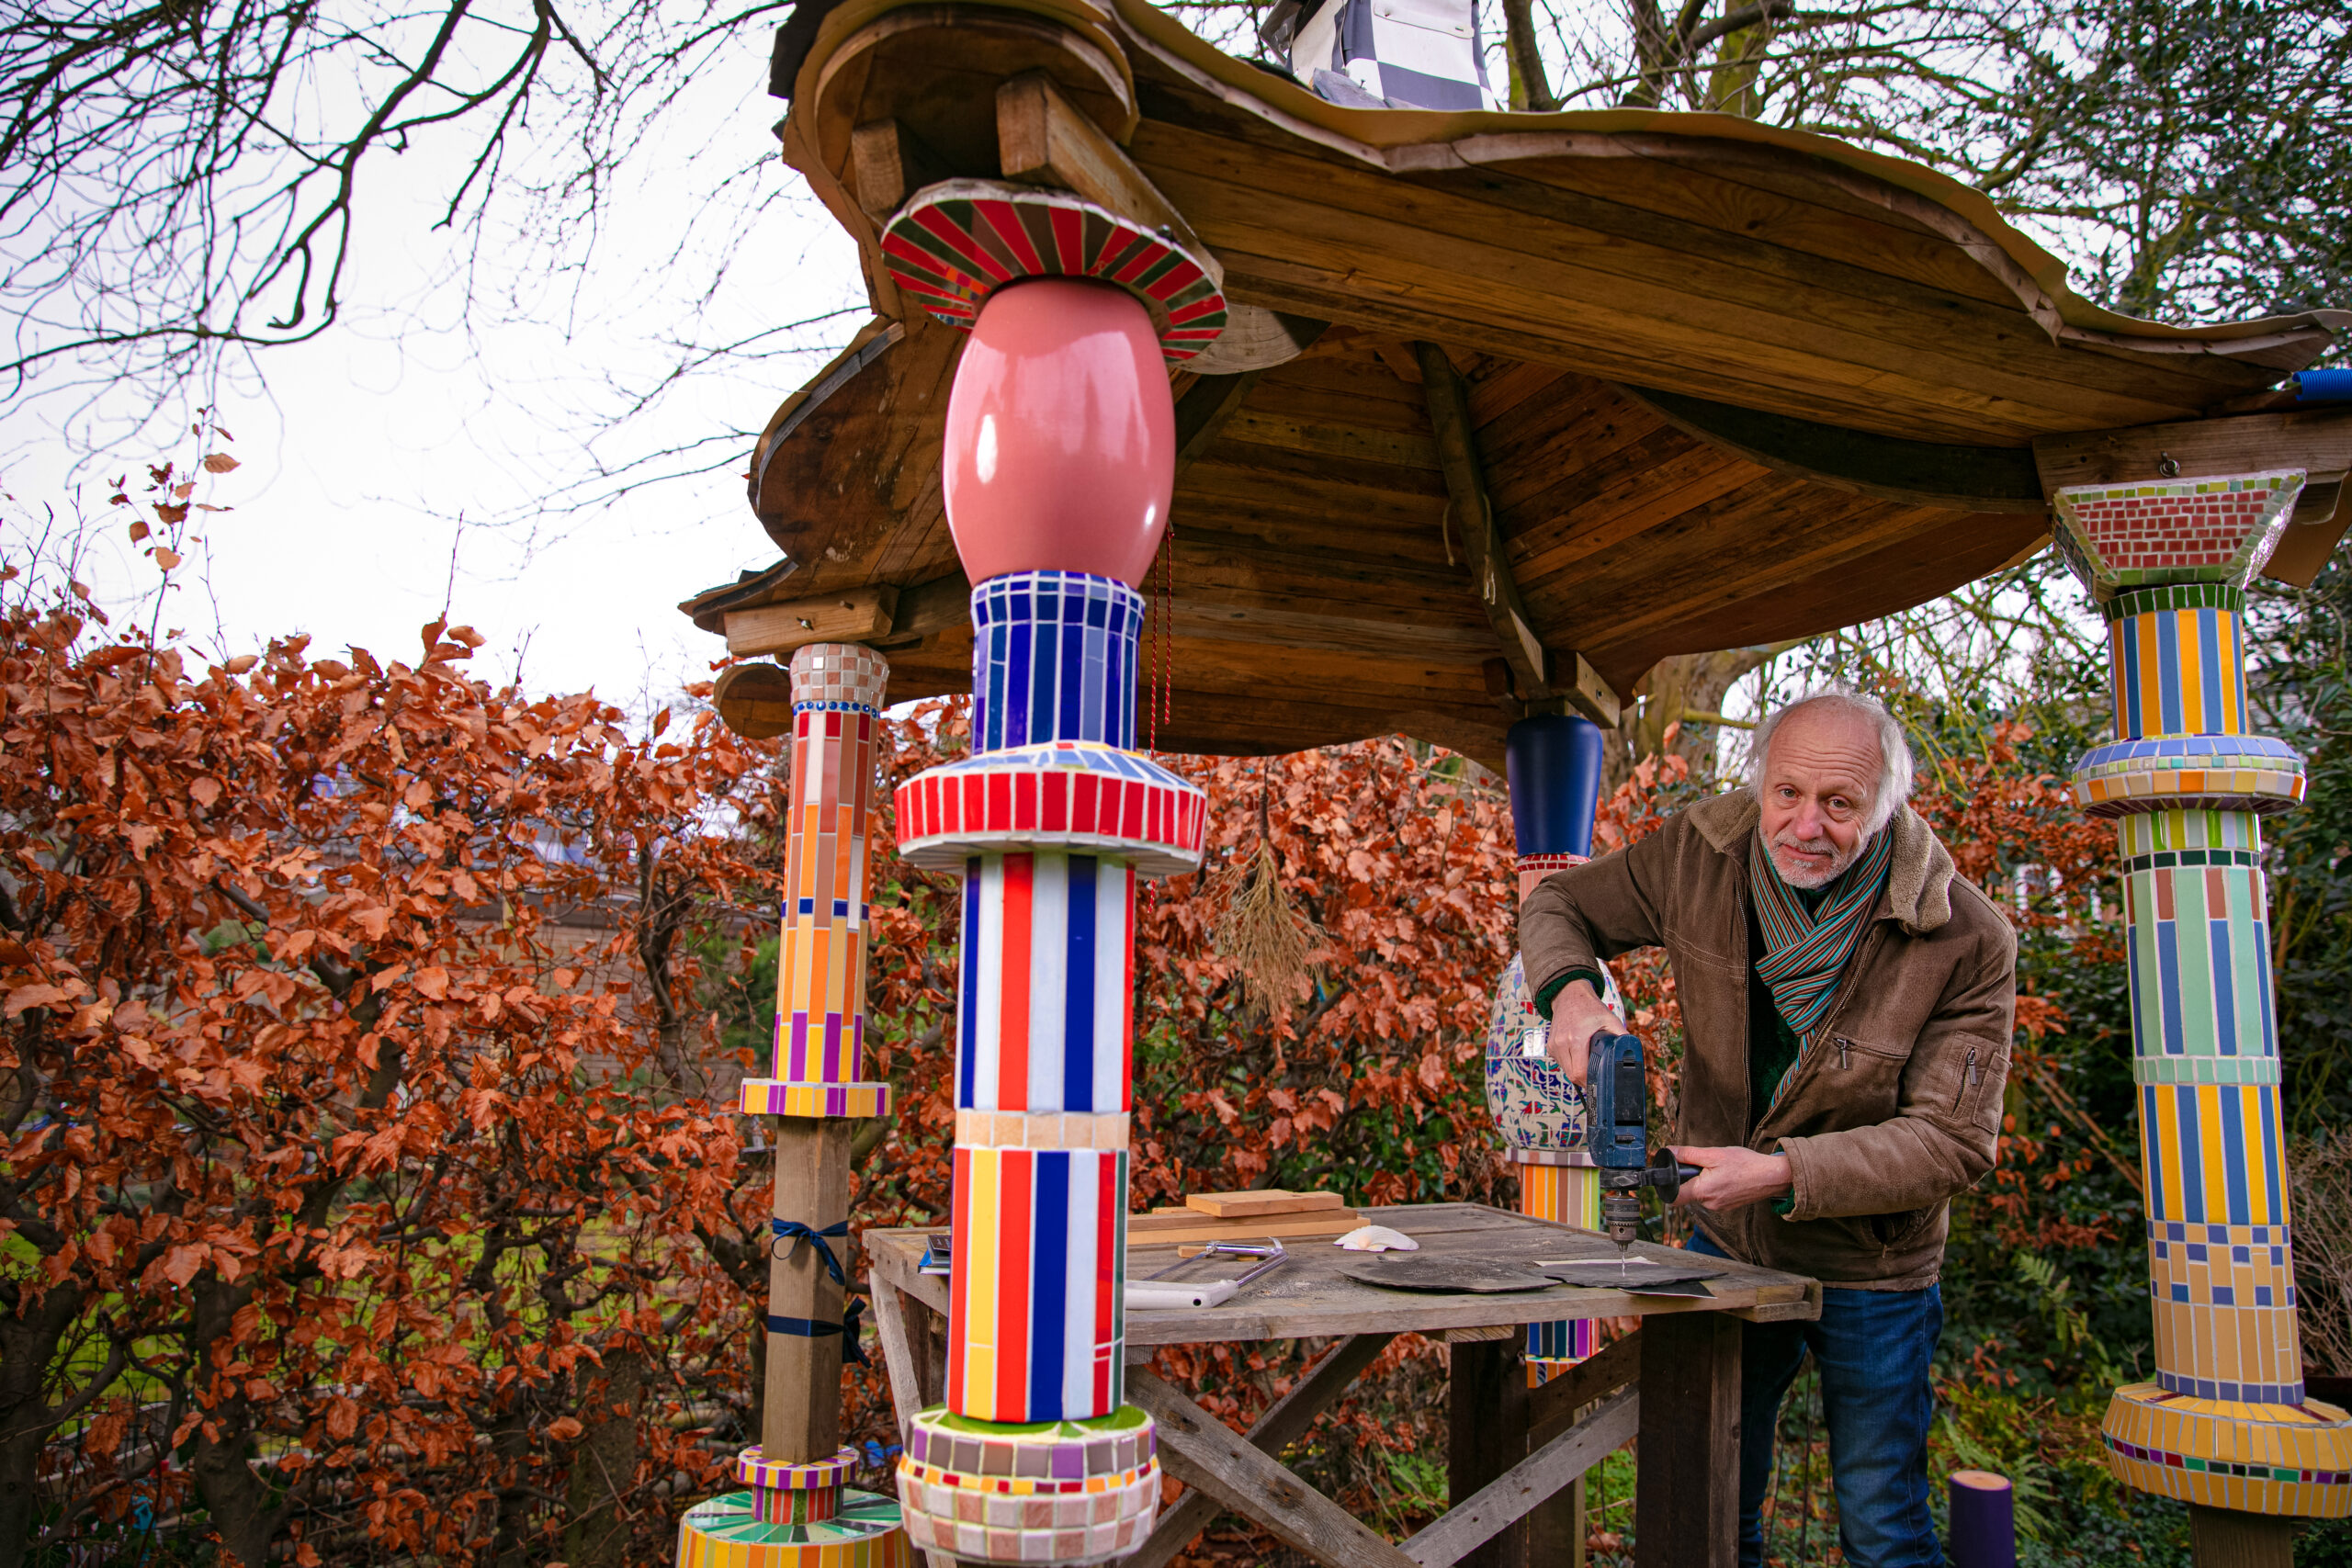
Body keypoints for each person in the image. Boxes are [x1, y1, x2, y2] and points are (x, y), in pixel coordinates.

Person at [1521, 688, 2015, 1568]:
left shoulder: (1966, 937)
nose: (1806, 824)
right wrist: (1571, 995)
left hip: (1876, 1265)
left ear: (1888, 805)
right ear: (1759, 785)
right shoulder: (1698, 854)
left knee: (1883, 1532)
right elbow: (1559, 903)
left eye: (1840, 803)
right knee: (1712, 1511)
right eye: (1787, 793)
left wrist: (1780, 1170)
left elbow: (1951, 1141)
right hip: (1728, 1243)